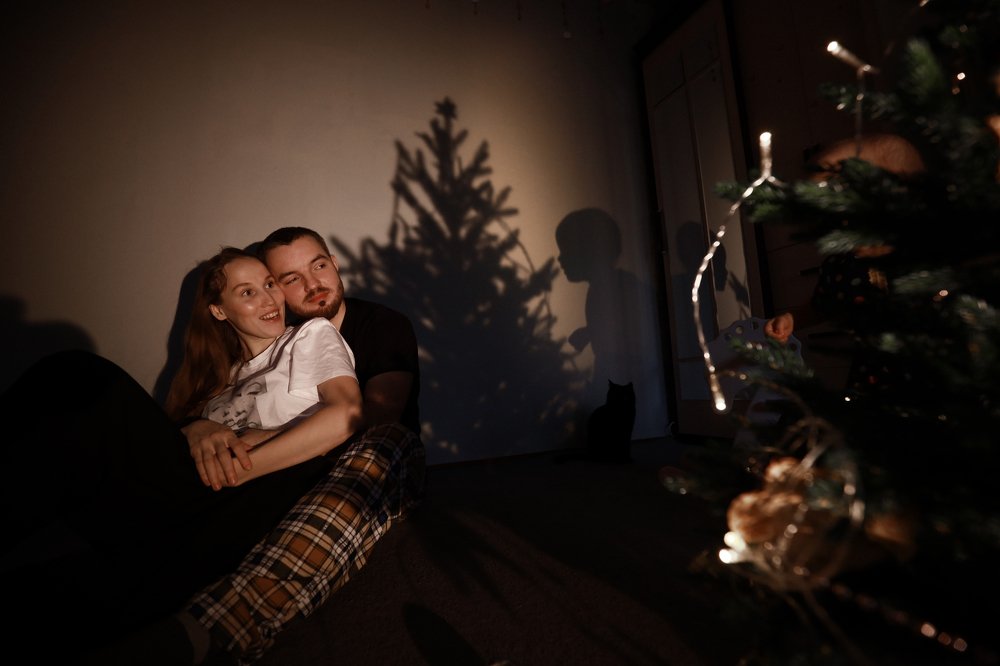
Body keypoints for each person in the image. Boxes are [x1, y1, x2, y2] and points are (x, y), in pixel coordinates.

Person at [0, 247, 364, 661]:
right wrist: (195, 427)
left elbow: (345, 417)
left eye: (269, 284)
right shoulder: (218, 382)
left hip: (236, 497)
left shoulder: (308, 337)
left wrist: (239, 469)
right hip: (172, 503)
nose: (269, 299)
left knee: (77, 371)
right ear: (219, 311)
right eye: (247, 292)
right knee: (62, 425)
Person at [111, 227, 425, 665]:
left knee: (388, 441)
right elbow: (179, 433)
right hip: (232, 490)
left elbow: (368, 417)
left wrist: (257, 448)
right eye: (289, 279)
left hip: (356, 465)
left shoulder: (365, 327)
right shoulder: (232, 370)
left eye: (318, 266)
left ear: (334, 264)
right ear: (220, 310)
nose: (311, 284)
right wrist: (195, 427)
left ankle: (212, 627)